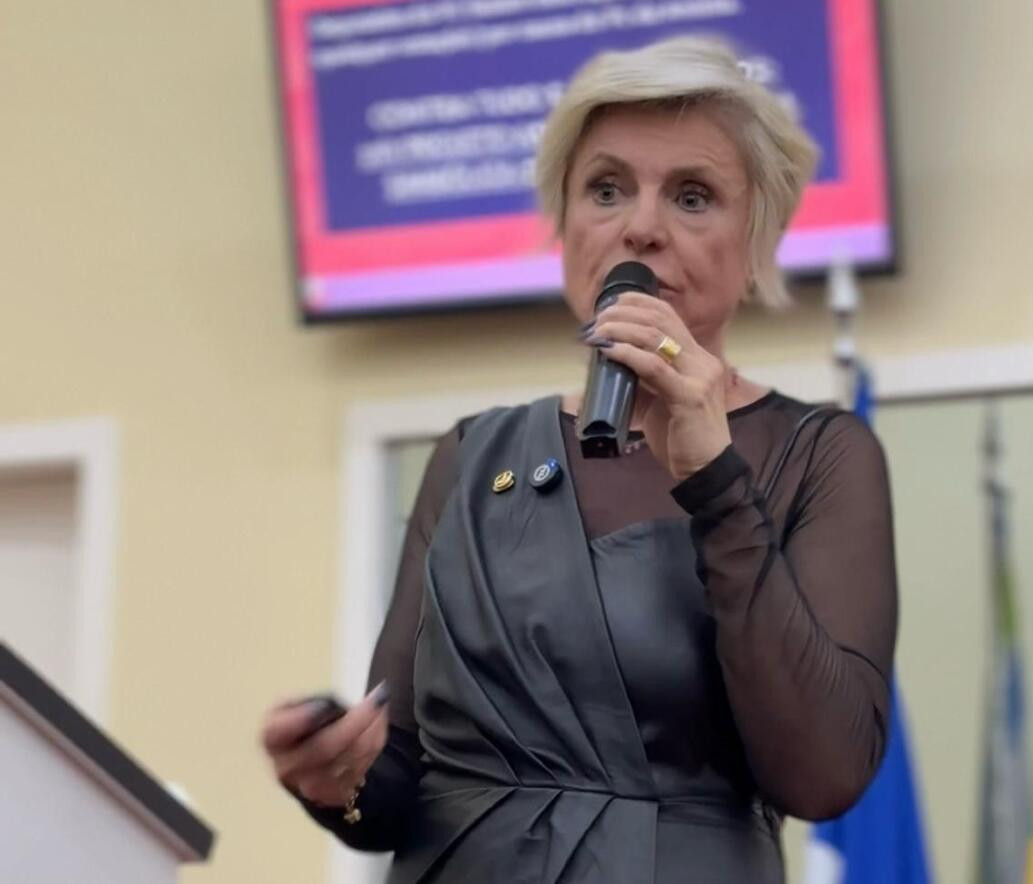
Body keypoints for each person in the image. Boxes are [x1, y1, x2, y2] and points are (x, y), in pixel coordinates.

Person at [260, 36, 897, 883]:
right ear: (564, 227)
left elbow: (823, 774)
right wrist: (334, 775)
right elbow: (396, 785)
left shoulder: (819, 455)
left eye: (693, 196)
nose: (641, 226)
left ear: (756, 247)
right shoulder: (471, 455)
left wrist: (717, 483)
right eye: (606, 189)